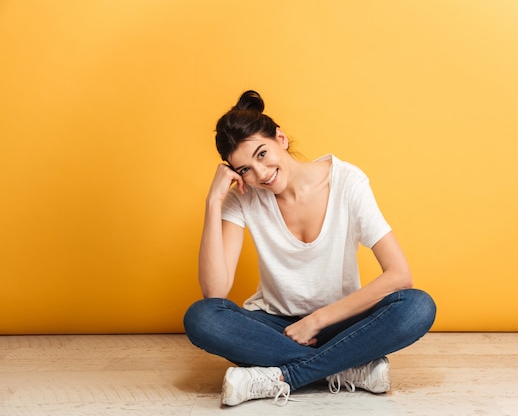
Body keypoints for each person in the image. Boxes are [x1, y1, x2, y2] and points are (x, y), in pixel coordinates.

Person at [183, 90, 436, 406]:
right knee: (202, 318)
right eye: (245, 168)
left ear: (281, 138)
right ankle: (347, 369)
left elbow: (399, 275)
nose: (260, 174)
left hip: (341, 322)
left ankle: (283, 377)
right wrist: (213, 201)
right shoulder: (243, 199)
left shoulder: (347, 182)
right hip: (274, 327)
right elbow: (215, 291)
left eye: (262, 154)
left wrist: (316, 321)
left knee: (418, 306)